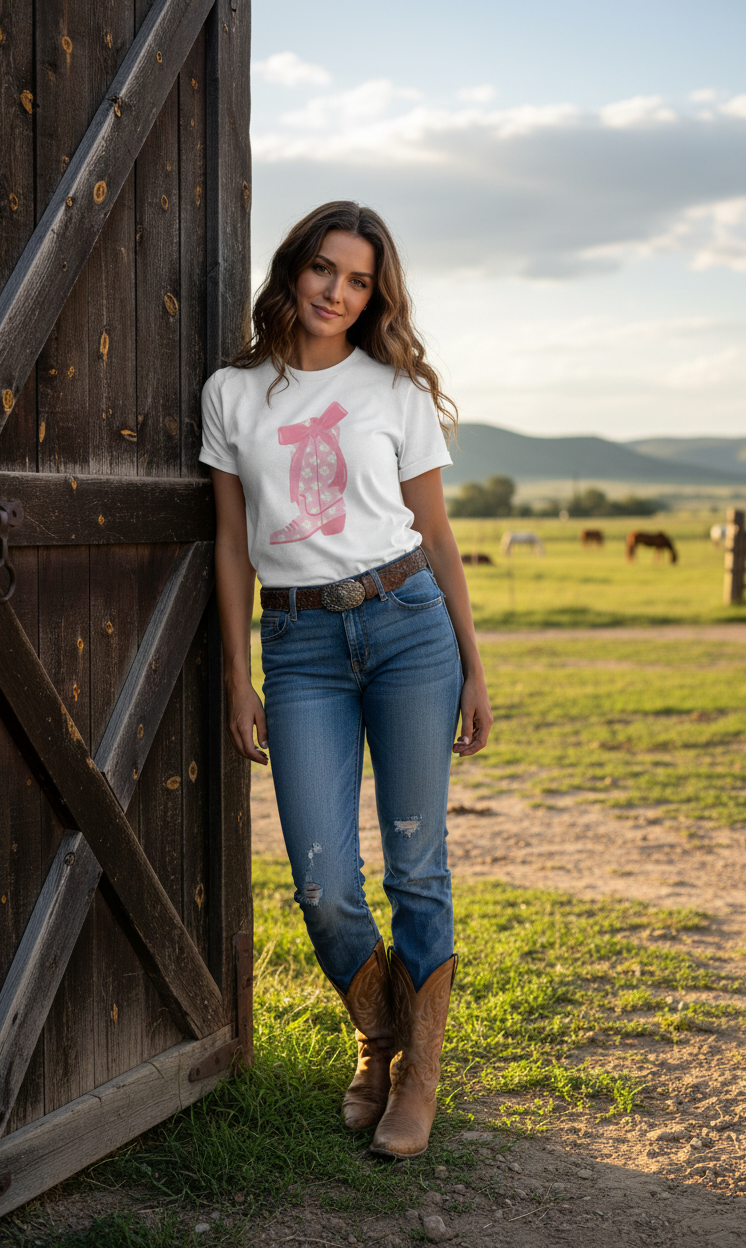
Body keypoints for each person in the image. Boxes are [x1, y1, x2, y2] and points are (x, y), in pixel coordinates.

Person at [200, 201, 492, 1159]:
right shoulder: (232, 395)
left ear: (375, 294)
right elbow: (232, 543)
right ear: (294, 269)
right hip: (300, 650)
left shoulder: (395, 389)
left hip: (408, 628)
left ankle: (419, 1074)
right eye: (325, 269)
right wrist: (240, 674)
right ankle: (378, 1035)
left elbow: (438, 537)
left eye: (359, 280)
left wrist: (475, 668)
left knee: (417, 866)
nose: (337, 292)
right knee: (323, 882)